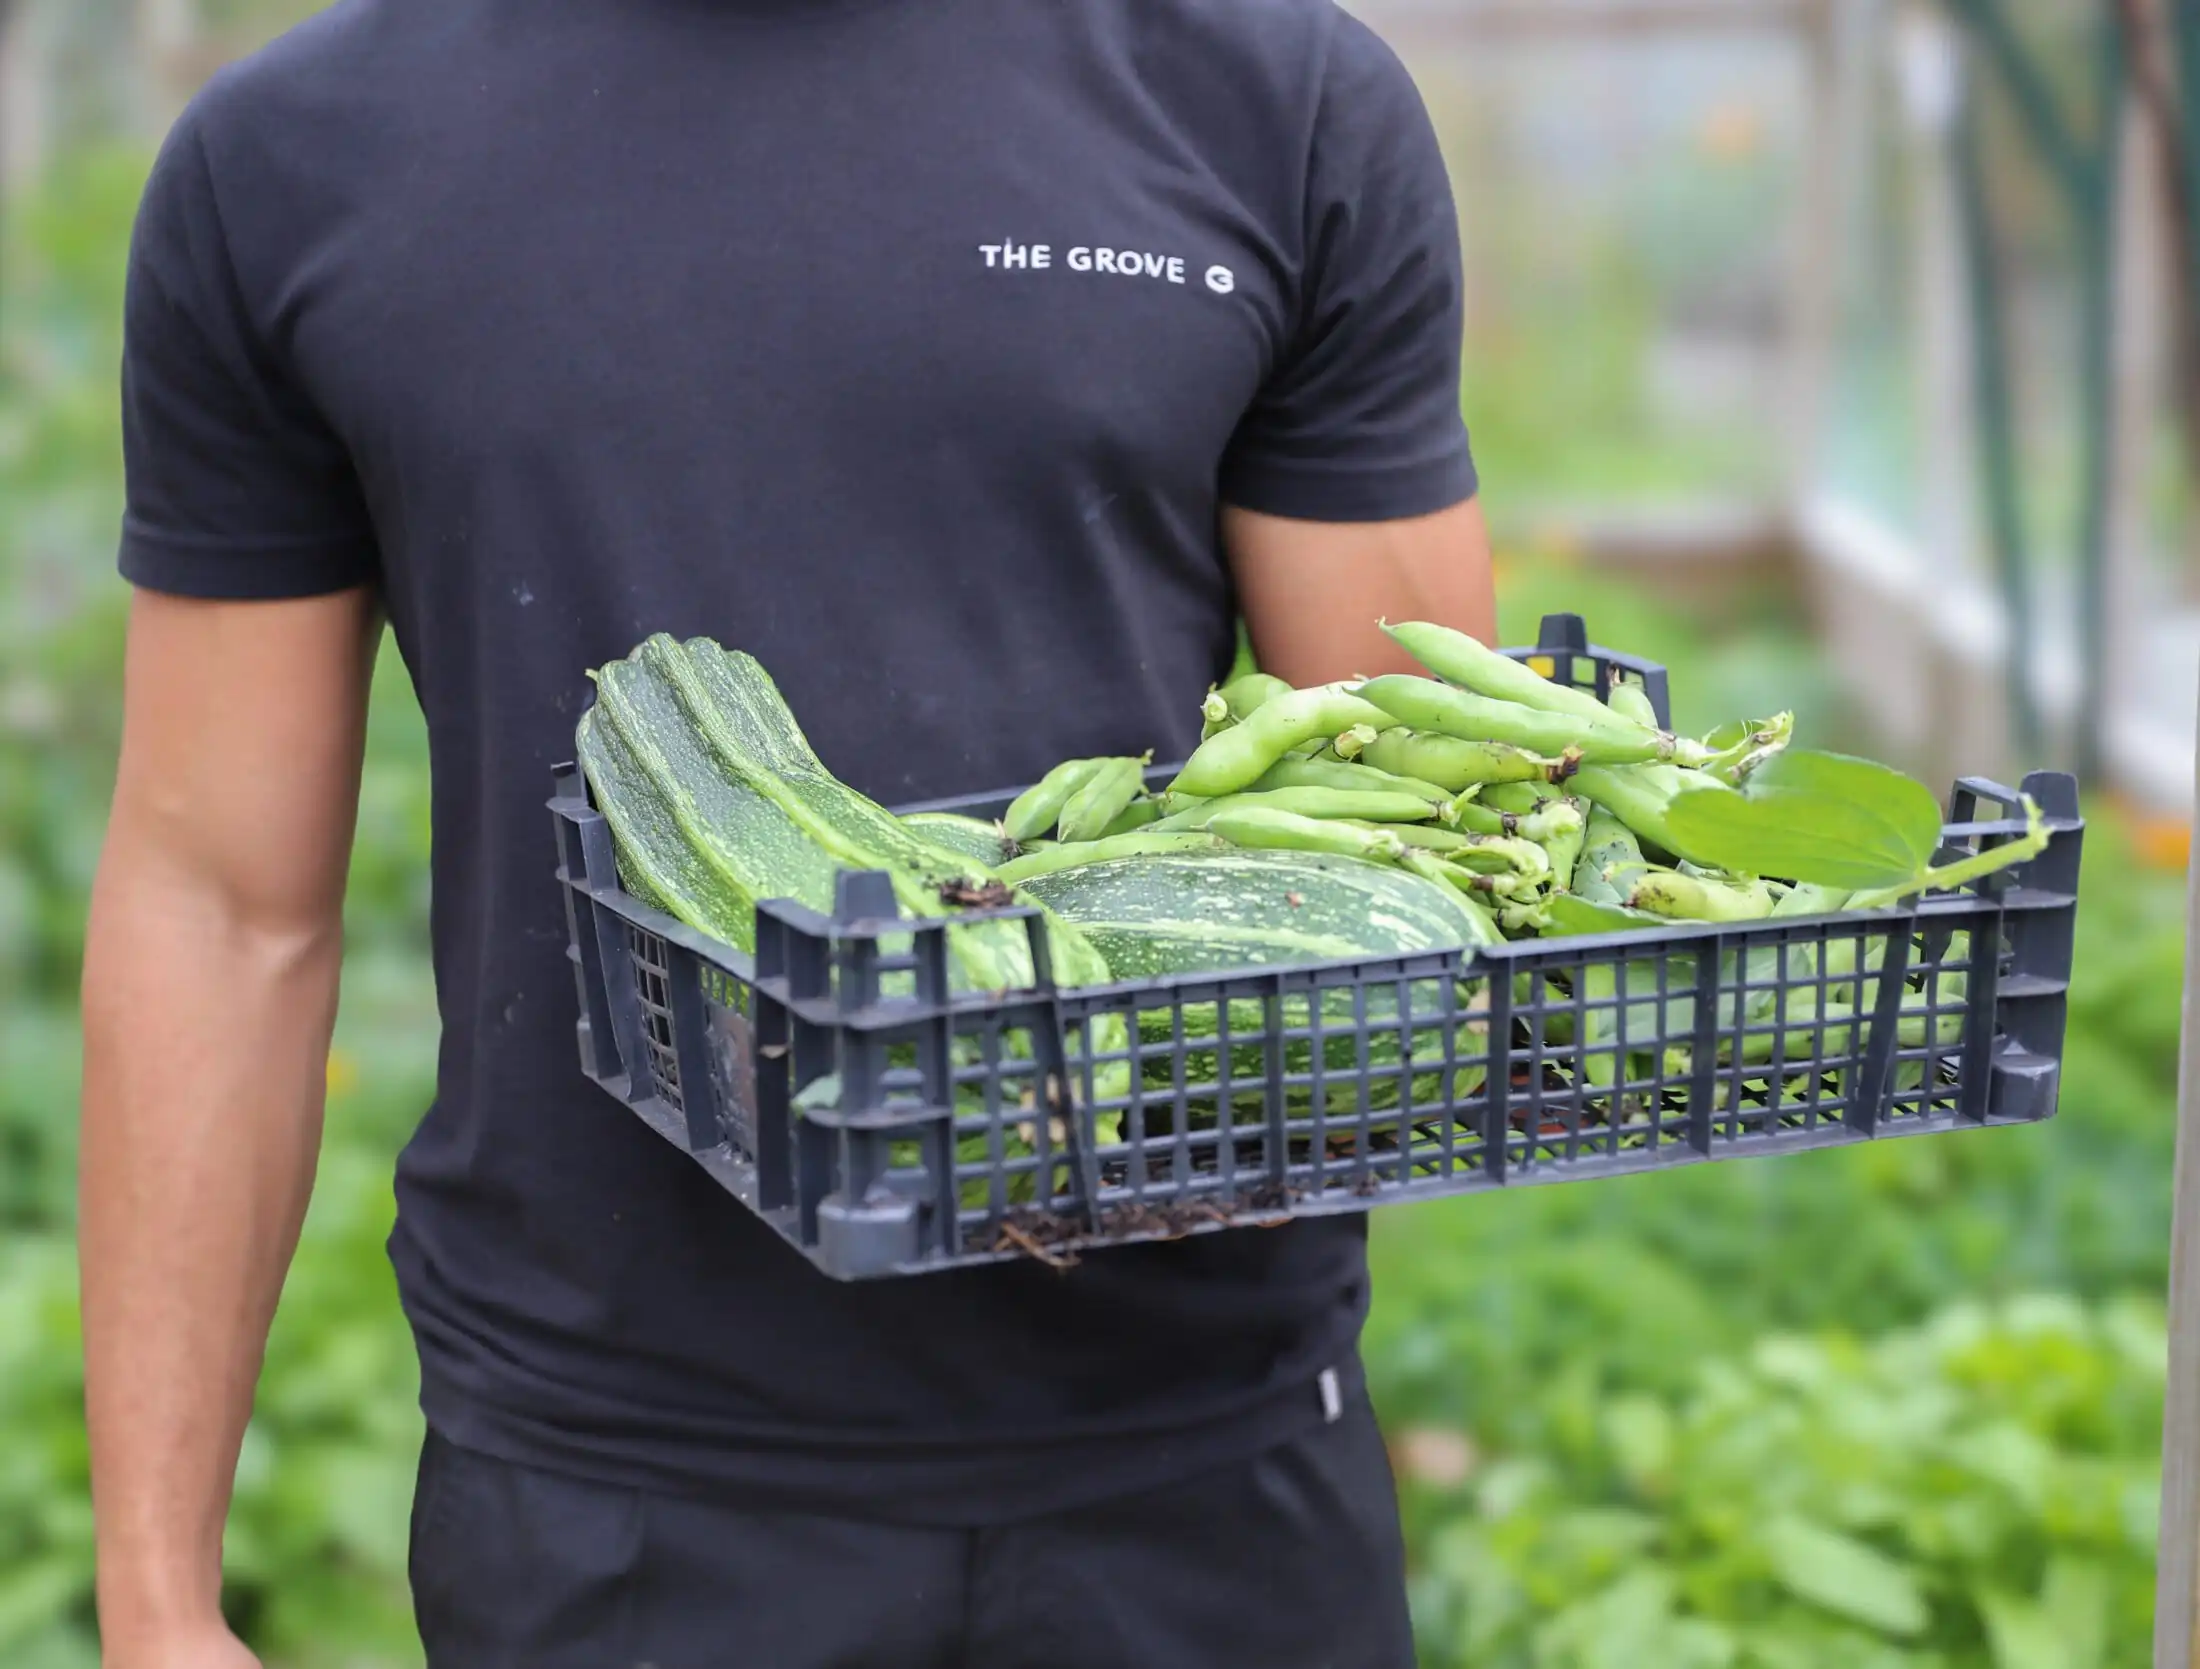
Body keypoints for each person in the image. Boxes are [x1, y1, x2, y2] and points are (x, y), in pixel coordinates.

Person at [80, 0, 1495, 1663]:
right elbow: (216, 906)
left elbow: (1415, 800)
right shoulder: (299, 155)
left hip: (1206, 1462)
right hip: (616, 1495)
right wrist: (156, 1597)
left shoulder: (1269, 96)